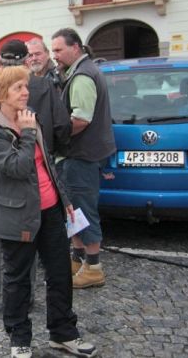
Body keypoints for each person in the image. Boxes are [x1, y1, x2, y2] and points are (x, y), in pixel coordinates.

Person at [0, 65, 97, 358]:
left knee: (59, 274)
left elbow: (47, 164)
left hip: (50, 208)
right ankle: (19, 339)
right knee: (17, 279)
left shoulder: (29, 117)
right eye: (18, 87)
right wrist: (28, 134)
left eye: (25, 86)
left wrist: (64, 199)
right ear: (1, 93)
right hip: (16, 214)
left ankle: (63, 333)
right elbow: (17, 167)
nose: (25, 92)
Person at [0, 39, 71, 315]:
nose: (23, 92)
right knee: (30, 231)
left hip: (1, 174)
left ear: (0, 60)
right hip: (36, 170)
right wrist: (48, 154)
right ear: (26, 60)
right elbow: (62, 126)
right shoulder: (42, 84)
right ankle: (27, 297)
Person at [51, 28, 116, 289]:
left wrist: (55, 135)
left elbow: (80, 119)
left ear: (75, 47)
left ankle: (93, 267)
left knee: (83, 211)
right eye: (53, 50)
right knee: (73, 211)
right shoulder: (80, 72)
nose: (54, 55)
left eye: (58, 50)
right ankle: (78, 260)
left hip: (79, 155)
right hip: (76, 155)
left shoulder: (83, 76)